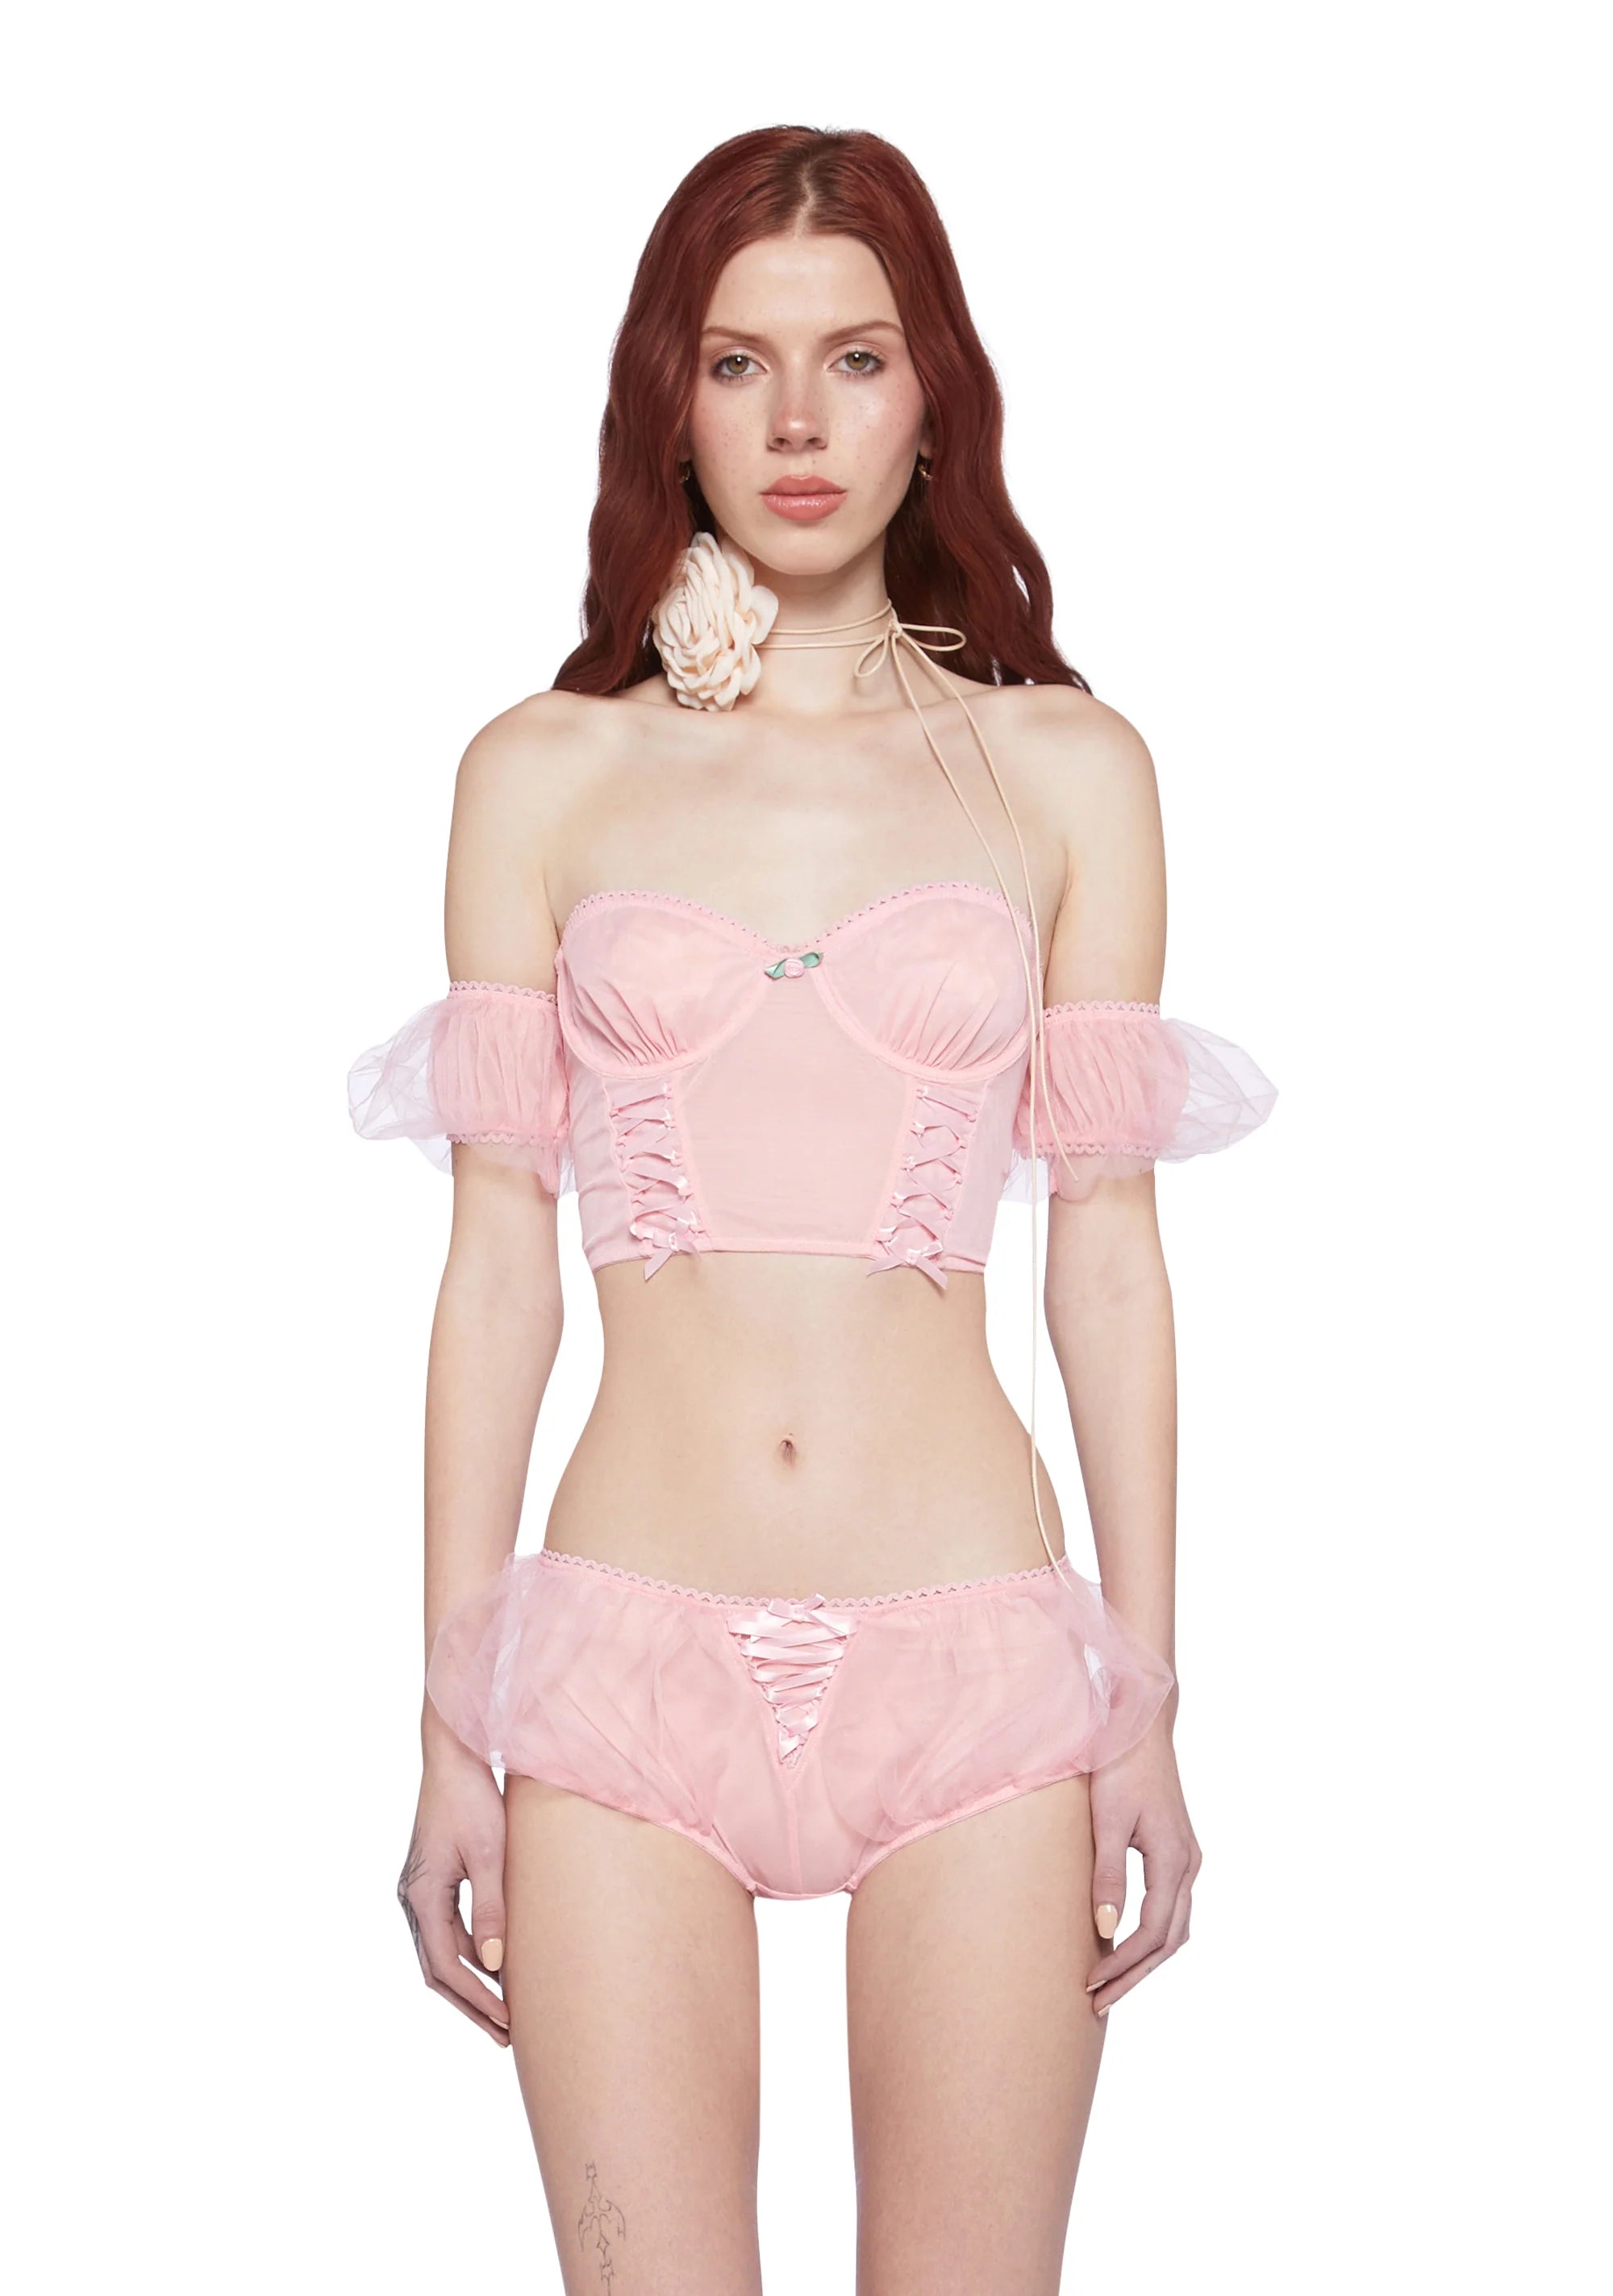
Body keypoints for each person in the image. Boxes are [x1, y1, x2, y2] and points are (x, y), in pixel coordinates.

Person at [348, 123, 1275, 2296]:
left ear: (932, 391)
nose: (797, 422)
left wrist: (1147, 1701)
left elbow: (1112, 1265)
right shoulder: (539, 776)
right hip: (620, 1663)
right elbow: (494, 1279)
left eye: (854, 359)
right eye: (740, 362)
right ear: (670, 396)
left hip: (975, 1661)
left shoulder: (1068, 772)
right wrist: (448, 1724)